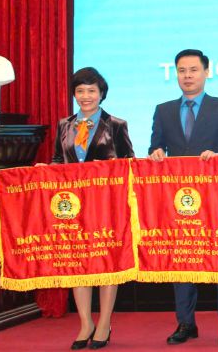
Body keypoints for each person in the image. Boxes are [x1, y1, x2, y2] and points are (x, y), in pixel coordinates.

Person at [148, 49, 218, 346]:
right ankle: (186, 323)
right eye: (181, 71)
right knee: (183, 259)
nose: (187, 76)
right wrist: (157, 153)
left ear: (206, 72)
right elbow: (156, 146)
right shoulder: (163, 110)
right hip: (180, 201)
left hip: (217, 198)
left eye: (193, 70)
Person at [49, 67, 134, 350]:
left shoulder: (117, 124)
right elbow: (57, 161)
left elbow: (129, 163)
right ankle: (85, 323)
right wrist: (45, 170)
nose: (85, 96)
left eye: (91, 91)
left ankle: (105, 322)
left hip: (107, 205)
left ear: (101, 94)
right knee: (78, 265)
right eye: (80, 91)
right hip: (72, 207)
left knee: (107, 264)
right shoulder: (64, 125)